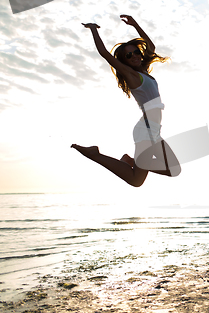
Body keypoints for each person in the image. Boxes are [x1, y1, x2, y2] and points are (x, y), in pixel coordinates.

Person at [72, 15, 181, 187]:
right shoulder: (131, 75)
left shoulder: (144, 71)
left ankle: (129, 160)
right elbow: (104, 54)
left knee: (173, 169)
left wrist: (135, 24)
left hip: (153, 130)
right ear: (124, 61)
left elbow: (151, 47)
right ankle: (95, 154)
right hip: (146, 130)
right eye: (129, 55)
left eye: (136, 52)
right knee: (136, 180)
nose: (135, 56)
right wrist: (93, 29)